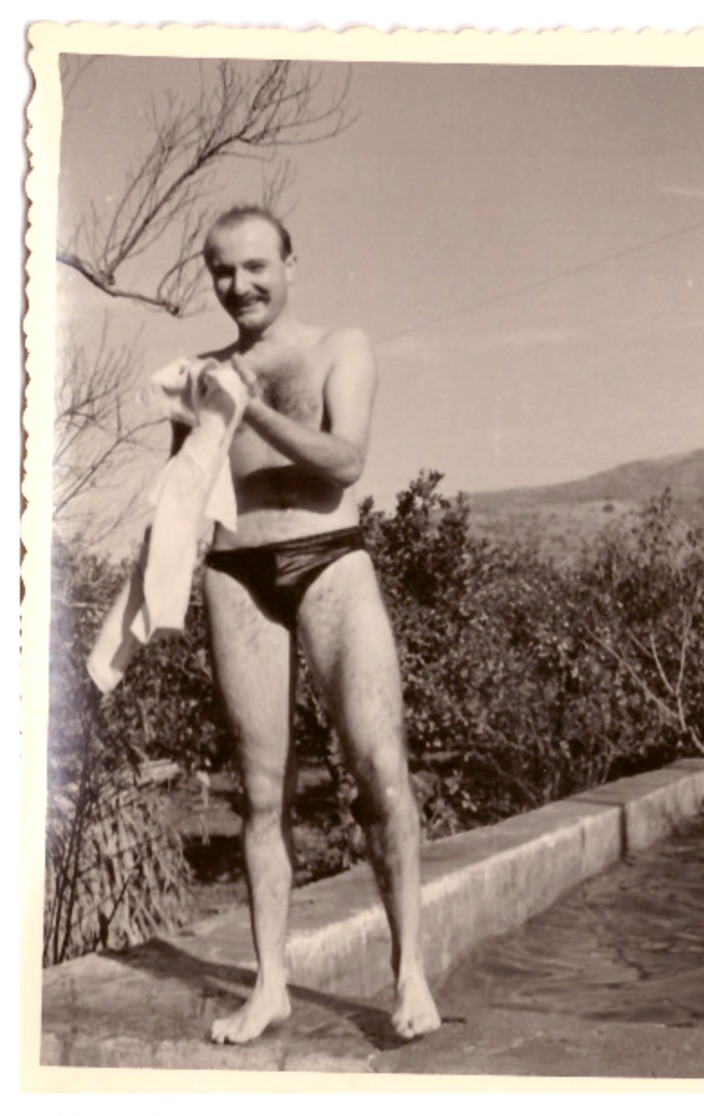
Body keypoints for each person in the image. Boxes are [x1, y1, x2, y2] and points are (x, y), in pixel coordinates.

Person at [185, 205, 441, 1045]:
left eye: (256, 265)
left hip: (327, 555)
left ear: (291, 262)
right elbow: (185, 486)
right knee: (261, 796)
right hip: (235, 570)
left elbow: (345, 461)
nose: (240, 285)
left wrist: (247, 408)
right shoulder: (199, 376)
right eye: (223, 270)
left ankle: (407, 974)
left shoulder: (341, 347)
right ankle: (269, 987)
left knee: (377, 766)